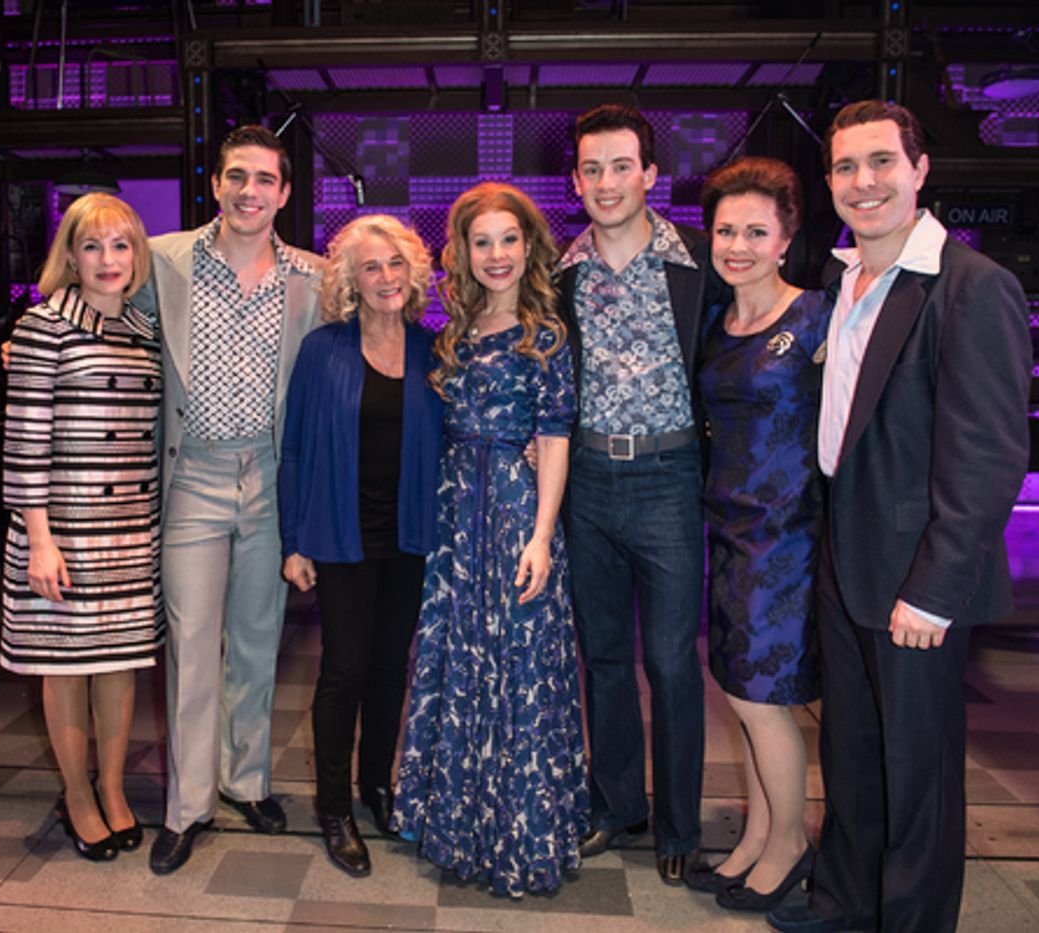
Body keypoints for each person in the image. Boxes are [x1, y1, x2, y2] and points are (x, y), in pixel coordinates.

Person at [768, 100, 1031, 933]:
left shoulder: (974, 287)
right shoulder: (843, 280)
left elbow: (987, 456)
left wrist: (937, 588)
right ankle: (845, 901)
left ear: (920, 170)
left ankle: (913, 921)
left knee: (918, 768)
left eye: (881, 162)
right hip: (846, 555)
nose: (863, 182)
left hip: (917, 571)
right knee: (851, 750)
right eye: (845, 167)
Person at [135, 125, 325, 876]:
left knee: (256, 636)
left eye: (266, 180)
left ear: (284, 192)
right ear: (215, 183)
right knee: (191, 643)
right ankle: (186, 806)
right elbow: (93, 297)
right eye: (236, 176)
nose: (250, 191)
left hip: (272, 476)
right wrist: (36, 333)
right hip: (194, 477)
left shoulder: (312, 275)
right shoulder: (162, 258)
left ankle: (246, 781)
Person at [391, 183, 588, 898]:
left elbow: (556, 436)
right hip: (456, 514)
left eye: (509, 239)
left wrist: (541, 534)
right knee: (458, 658)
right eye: (483, 242)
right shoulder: (453, 331)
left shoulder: (546, 333)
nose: (497, 254)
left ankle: (520, 829)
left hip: (513, 510)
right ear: (464, 252)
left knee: (520, 663)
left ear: (529, 247)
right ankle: (462, 824)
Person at [557, 104, 716, 884]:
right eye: (593, 168)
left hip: (668, 477)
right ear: (575, 179)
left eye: (623, 166)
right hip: (587, 478)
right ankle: (617, 803)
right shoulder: (561, 273)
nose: (607, 182)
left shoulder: (699, 267)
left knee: (672, 662)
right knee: (605, 656)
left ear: (652, 175)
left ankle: (679, 821)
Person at [276, 214, 443, 877]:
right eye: (370, 267)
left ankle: (378, 786)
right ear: (351, 279)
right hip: (341, 534)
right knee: (343, 667)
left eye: (395, 264)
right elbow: (294, 450)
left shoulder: (435, 350)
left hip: (410, 534)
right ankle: (333, 805)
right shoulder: (323, 350)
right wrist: (294, 540)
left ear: (413, 272)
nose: (385, 278)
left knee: (387, 666)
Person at [1, 192, 161, 861]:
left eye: (120, 245)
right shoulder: (44, 325)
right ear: (69, 255)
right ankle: (76, 795)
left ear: (137, 254)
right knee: (64, 667)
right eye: (91, 246)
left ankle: (115, 788)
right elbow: (25, 435)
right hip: (62, 529)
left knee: (119, 668)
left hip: (128, 530)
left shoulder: (145, 328)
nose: (107, 260)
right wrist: (38, 537)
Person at [684, 157, 824, 912]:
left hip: (788, 537)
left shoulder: (816, 318)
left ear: (785, 238)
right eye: (726, 228)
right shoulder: (718, 319)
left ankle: (789, 843)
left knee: (766, 699)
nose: (737, 243)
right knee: (740, 693)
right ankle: (757, 835)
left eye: (755, 231)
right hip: (728, 527)